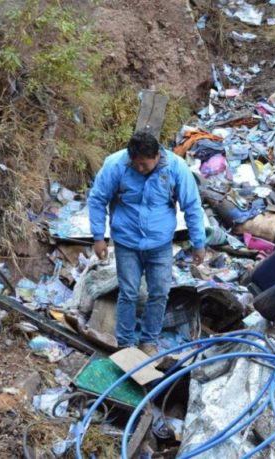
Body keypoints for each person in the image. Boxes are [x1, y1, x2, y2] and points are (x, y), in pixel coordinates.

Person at [88, 131, 206, 356]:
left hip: (160, 244)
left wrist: (198, 242)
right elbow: (97, 199)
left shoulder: (175, 168)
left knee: (160, 292)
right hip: (126, 242)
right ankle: (125, 343)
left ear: (157, 155)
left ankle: (149, 341)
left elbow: (192, 206)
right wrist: (98, 237)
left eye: (145, 165)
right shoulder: (116, 165)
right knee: (129, 292)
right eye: (136, 164)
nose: (140, 169)